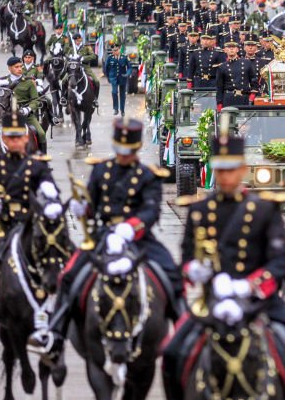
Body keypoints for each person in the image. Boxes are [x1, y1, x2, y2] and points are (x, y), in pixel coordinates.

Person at [157, 131, 285, 400]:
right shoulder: (199, 211)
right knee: (173, 352)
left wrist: (250, 285)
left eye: (231, 169)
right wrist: (196, 271)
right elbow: (188, 256)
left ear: (242, 169)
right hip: (213, 302)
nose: (225, 176)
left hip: (259, 300)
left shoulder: (263, 210)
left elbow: (279, 261)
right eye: (219, 169)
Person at [32, 118, 184, 354]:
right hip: (103, 236)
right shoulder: (101, 170)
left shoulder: (148, 175)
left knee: (172, 276)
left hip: (138, 238)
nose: (124, 157)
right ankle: (55, 335)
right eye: (120, 151)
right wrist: (82, 207)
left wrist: (130, 228)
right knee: (69, 276)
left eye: (128, 152)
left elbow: (151, 211)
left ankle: (182, 335)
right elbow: (92, 202)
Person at [0, 111, 59, 332]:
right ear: (4, 139)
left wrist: (51, 199)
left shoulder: (38, 166)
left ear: (26, 138)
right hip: (5, 224)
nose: (16, 141)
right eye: (11, 137)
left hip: (32, 224)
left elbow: (52, 191)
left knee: (61, 256)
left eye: (19, 136)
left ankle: (64, 307)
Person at [215, 41, 257, 109]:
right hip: (229, 98)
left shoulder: (246, 63)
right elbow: (219, 87)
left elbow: (253, 81)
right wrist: (219, 103)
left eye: (233, 47)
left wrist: (252, 95)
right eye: (229, 47)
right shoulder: (222, 67)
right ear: (225, 50)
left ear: (237, 49)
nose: (231, 49)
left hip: (244, 97)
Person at [103, 44, 130, 116]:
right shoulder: (110, 58)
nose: (115, 52)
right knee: (114, 92)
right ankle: (115, 108)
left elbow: (129, 67)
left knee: (122, 94)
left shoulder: (124, 57)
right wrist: (108, 77)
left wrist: (127, 73)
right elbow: (106, 68)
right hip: (113, 78)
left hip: (122, 77)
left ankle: (122, 110)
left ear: (119, 49)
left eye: (116, 50)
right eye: (113, 50)